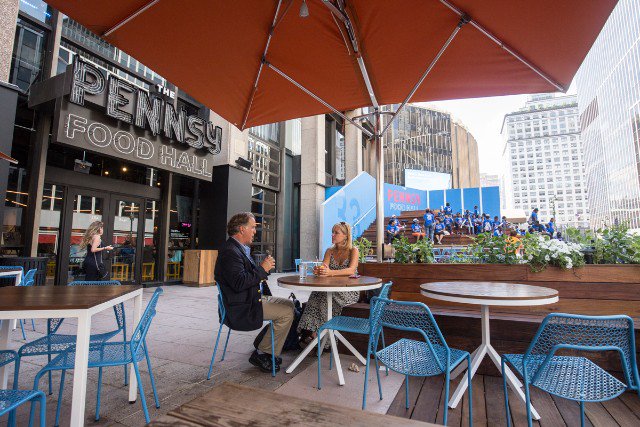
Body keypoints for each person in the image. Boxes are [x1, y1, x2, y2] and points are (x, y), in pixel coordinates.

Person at [215, 212, 294, 373]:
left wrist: (262, 271)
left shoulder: (239, 249)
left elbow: (246, 277)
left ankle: (268, 348)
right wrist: (262, 269)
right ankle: (263, 353)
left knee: (290, 305)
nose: (254, 231)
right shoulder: (230, 251)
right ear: (241, 229)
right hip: (242, 306)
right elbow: (239, 283)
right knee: (286, 313)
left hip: (250, 298)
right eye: (252, 227)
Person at [298, 222, 359, 345]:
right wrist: (319, 270)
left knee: (324, 296)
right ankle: (313, 332)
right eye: (332, 232)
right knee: (317, 293)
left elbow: (351, 270)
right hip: (330, 288)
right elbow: (324, 267)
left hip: (348, 290)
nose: (332, 235)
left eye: (336, 233)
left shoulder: (353, 250)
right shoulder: (329, 251)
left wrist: (330, 273)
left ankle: (320, 337)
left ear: (346, 235)